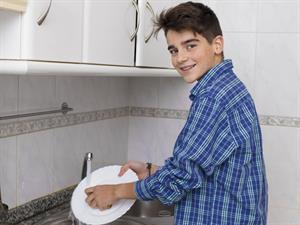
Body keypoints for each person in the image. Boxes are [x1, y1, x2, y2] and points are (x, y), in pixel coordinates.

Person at [85, 1, 268, 224]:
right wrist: (153, 170)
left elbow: (181, 176)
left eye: (191, 45)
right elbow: (203, 168)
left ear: (217, 44)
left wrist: (114, 192)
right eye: (174, 50)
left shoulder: (213, 97)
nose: (180, 58)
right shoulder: (229, 87)